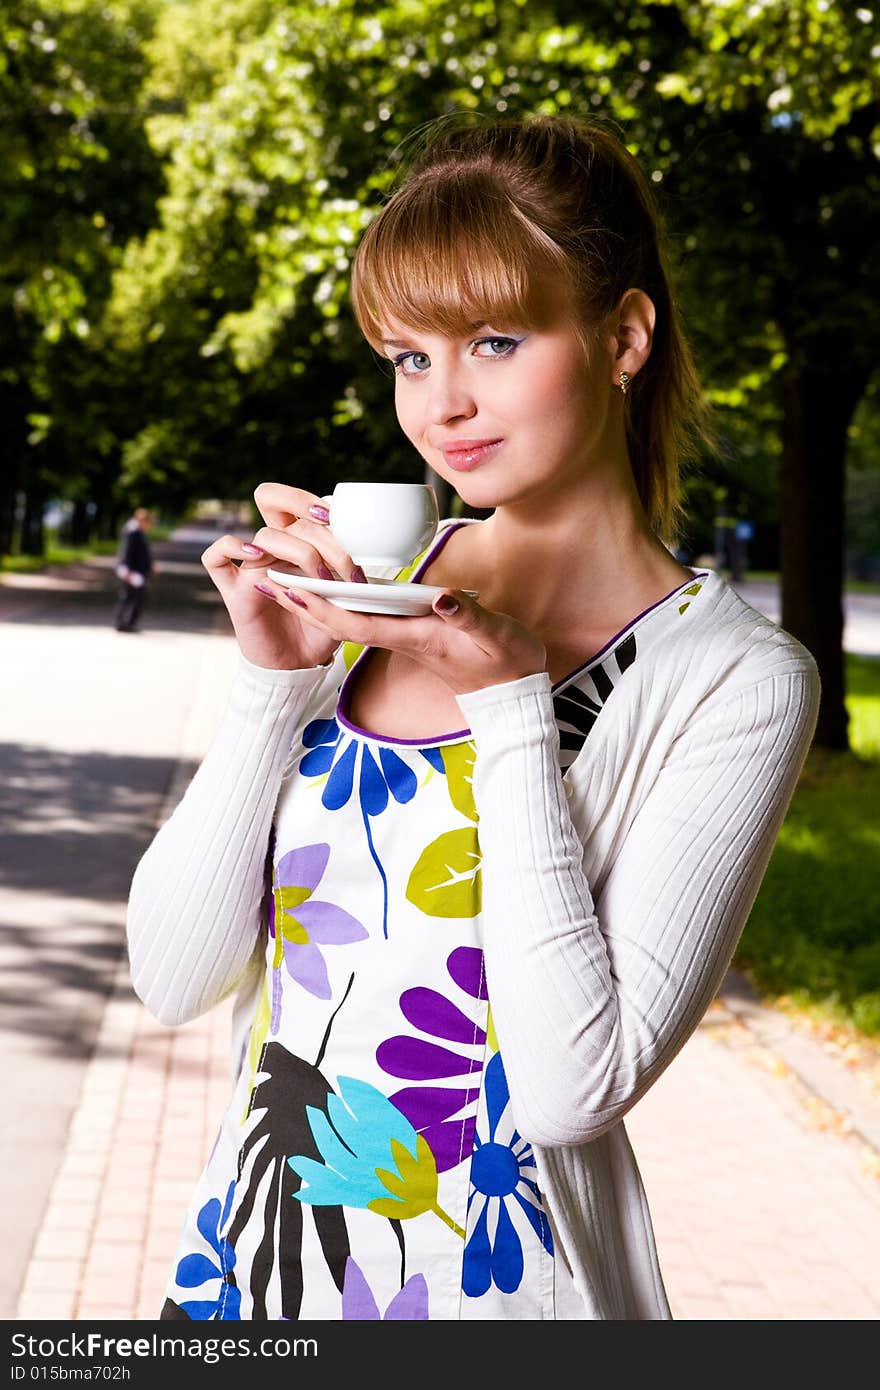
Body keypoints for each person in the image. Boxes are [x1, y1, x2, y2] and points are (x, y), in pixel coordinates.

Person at [125, 114, 820, 1321]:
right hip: (250, 1287)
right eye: (407, 356)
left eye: (494, 340)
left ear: (622, 337)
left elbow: (569, 1088)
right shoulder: (365, 597)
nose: (442, 404)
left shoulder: (732, 677)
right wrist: (276, 683)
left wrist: (510, 709)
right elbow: (176, 976)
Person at [113, 507, 154, 632]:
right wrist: (128, 570)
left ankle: (127, 623)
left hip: (136, 570)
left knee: (132, 596)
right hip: (132, 571)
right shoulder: (133, 532)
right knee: (130, 597)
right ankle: (123, 623)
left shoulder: (138, 532)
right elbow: (127, 552)